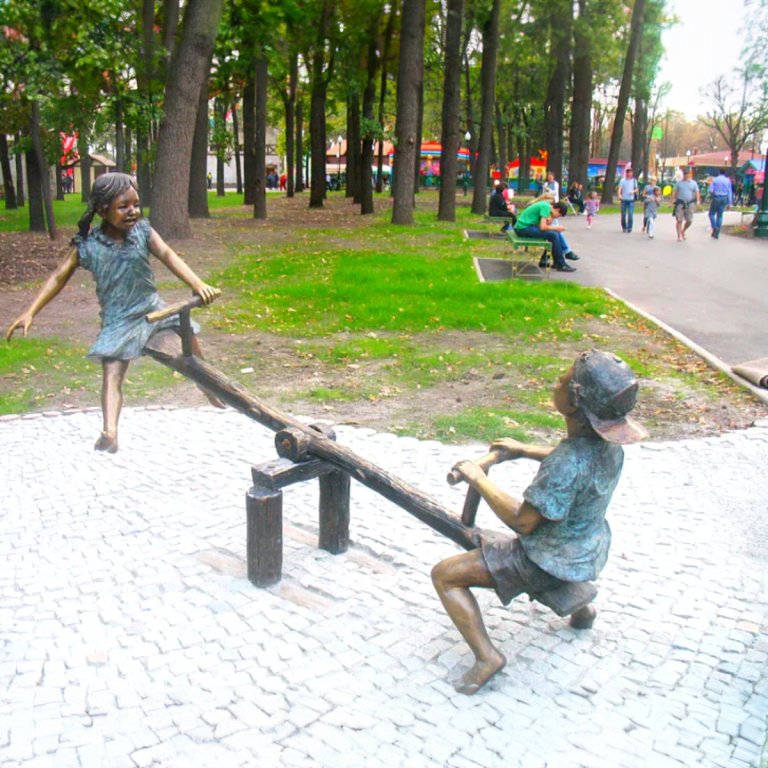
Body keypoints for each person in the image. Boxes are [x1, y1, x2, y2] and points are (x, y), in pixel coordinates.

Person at [431, 350, 647, 695]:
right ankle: (582, 611)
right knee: (493, 547)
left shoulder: (566, 464)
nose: (555, 383)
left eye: (562, 380)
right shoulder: (609, 447)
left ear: (574, 401)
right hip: (587, 550)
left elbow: (522, 522)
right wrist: (524, 449)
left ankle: (487, 657)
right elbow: (575, 457)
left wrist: (477, 477)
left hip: (547, 561)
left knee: (445, 575)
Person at [5, 173, 222, 454]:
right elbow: (58, 277)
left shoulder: (143, 232)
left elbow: (168, 255)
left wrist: (197, 283)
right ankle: (110, 431)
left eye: (136, 204)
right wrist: (30, 312)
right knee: (112, 372)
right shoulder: (87, 246)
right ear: (102, 209)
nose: (132, 211)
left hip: (152, 307)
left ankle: (207, 386)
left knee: (189, 339)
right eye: (123, 206)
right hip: (118, 320)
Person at [514, 197, 577, 272]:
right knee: (553, 235)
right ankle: (561, 264)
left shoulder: (546, 206)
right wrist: (556, 228)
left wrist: (553, 220)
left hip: (524, 227)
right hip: (522, 229)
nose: (558, 217)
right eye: (559, 215)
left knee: (554, 233)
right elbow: (543, 227)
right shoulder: (545, 207)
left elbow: (546, 224)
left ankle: (555, 261)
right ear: (557, 210)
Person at [673, 168, 700, 242]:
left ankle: (683, 230)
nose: (686, 175)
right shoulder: (679, 183)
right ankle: (679, 236)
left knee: (689, 220)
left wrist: (698, 201)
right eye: (684, 174)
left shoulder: (693, 183)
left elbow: (697, 192)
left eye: (687, 174)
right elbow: (674, 192)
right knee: (679, 220)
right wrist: (672, 201)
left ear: (689, 174)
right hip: (680, 203)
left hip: (690, 203)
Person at [708, 169, 733, 239]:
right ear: (725, 173)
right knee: (720, 215)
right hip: (724, 198)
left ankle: (714, 227)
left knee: (711, 214)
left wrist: (713, 195)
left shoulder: (715, 180)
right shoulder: (728, 181)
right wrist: (730, 202)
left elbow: (711, 190)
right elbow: (729, 192)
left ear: (719, 172)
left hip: (716, 197)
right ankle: (717, 232)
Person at [617, 167, 638, 233]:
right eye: (628, 173)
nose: (629, 174)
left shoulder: (634, 180)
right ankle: (624, 227)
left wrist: (633, 191)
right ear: (626, 173)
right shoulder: (623, 180)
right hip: (624, 199)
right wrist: (619, 194)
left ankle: (629, 227)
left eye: (631, 173)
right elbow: (620, 188)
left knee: (630, 214)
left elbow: (636, 189)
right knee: (623, 215)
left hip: (631, 200)